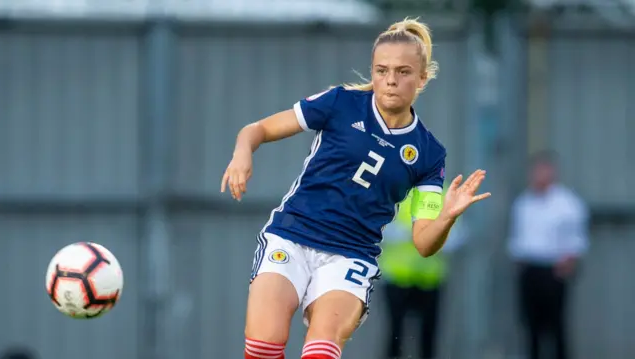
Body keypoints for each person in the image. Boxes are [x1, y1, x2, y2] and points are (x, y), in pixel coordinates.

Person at [221, 18, 491, 359]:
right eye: (382, 70)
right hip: (291, 236)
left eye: (403, 71)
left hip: (350, 256)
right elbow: (256, 129)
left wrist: (447, 217)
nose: (391, 80)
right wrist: (243, 154)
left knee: (319, 351)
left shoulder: (428, 153)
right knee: (263, 347)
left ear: (423, 78)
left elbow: (424, 243)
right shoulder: (340, 103)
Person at [507, 151, 589, 359]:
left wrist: (568, 264)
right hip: (530, 269)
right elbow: (518, 238)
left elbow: (576, 239)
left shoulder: (567, 203)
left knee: (556, 326)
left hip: (554, 270)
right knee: (531, 326)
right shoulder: (523, 203)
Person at [380, 188, 469, 359]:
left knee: (428, 337)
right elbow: (378, 227)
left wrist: (433, 237)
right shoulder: (394, 188)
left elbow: (458, 234)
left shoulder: (445, 193)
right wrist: (409, 234)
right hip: (398, 277)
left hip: (430, 278)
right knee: (395, 334)